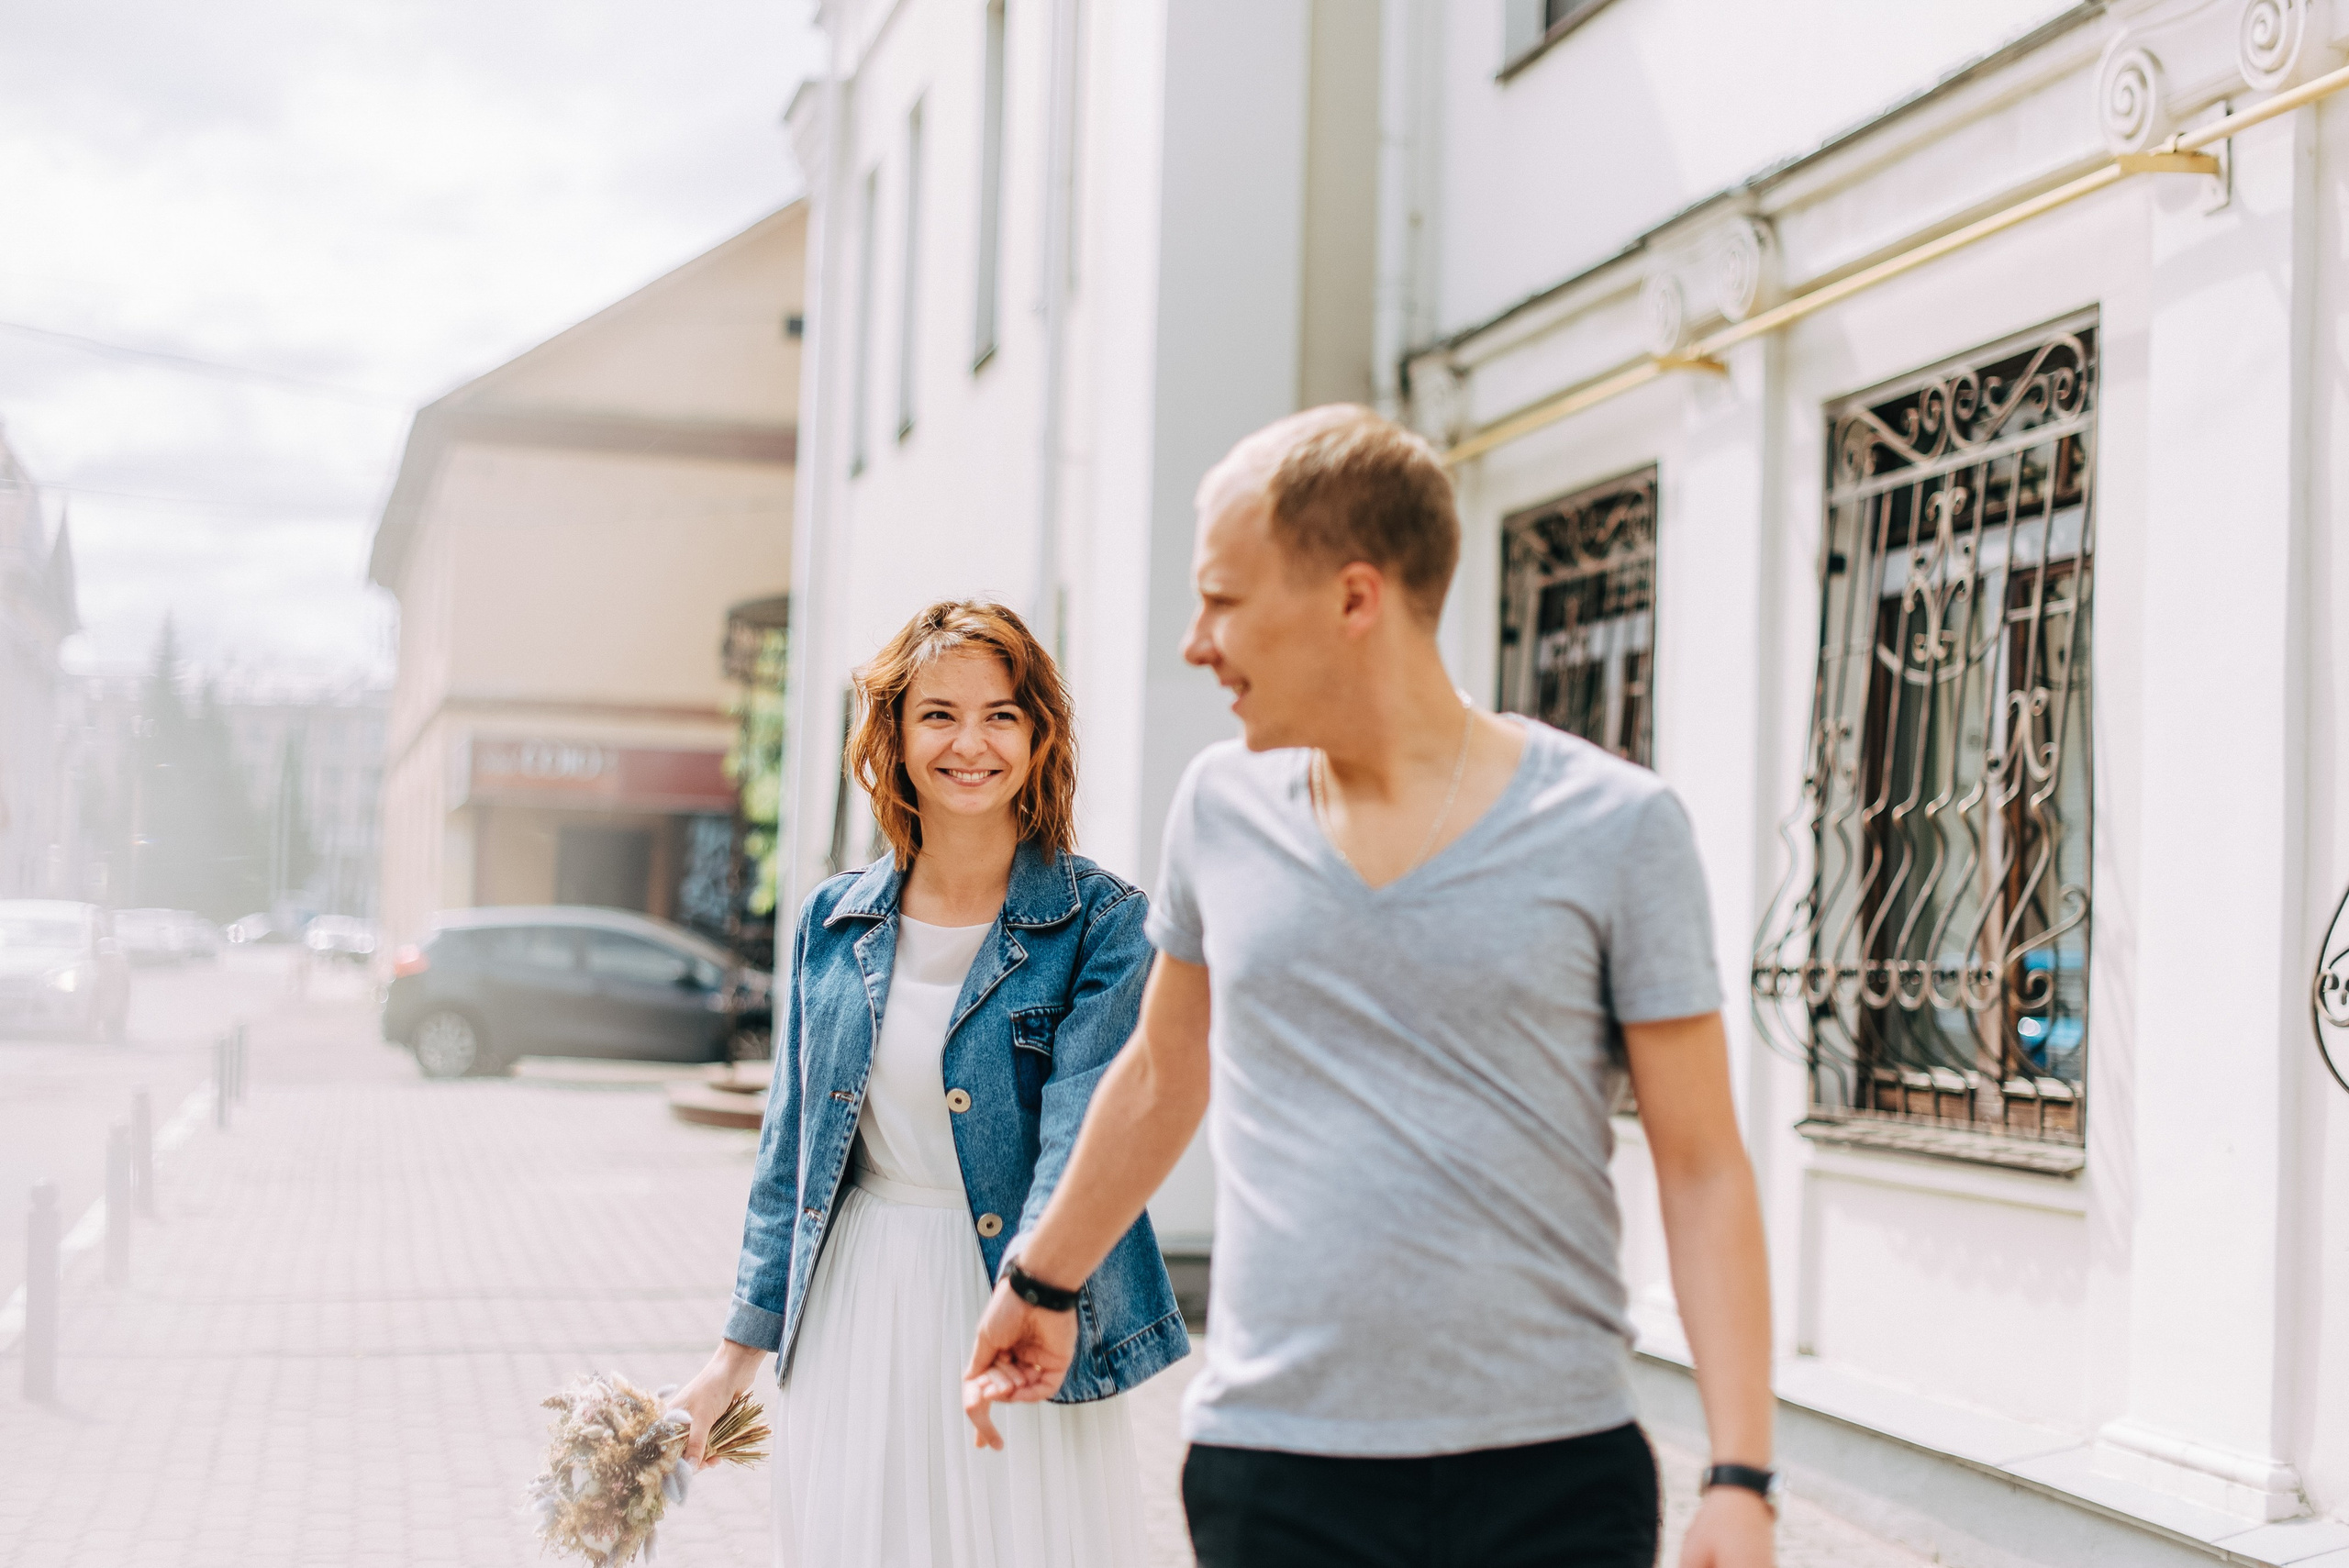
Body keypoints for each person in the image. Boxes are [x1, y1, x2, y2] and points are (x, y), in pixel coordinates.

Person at [963, 407, 1779, 1568]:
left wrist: (1740, 1475)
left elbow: (1702, 1164)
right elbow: (1160, 1069)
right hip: (1275, 1467)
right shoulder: (1219, 805)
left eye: (1223, 597)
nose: (1197, 641)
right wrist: (1045, 1275)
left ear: (1355, 598)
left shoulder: (1615, 827)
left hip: (1548, 1467)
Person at [674, 600, 1186, 1567]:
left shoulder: (1104, 924)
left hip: (1026, 1296)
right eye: (938, 713)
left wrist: (1036, 1283)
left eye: (1001, 714)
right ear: (896, 737)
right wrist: (727, 1364)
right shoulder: (832, 919)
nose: (970, 742)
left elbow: (1085, 1131)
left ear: (1038, 738)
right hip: (856, 1305)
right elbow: (791, 1159)